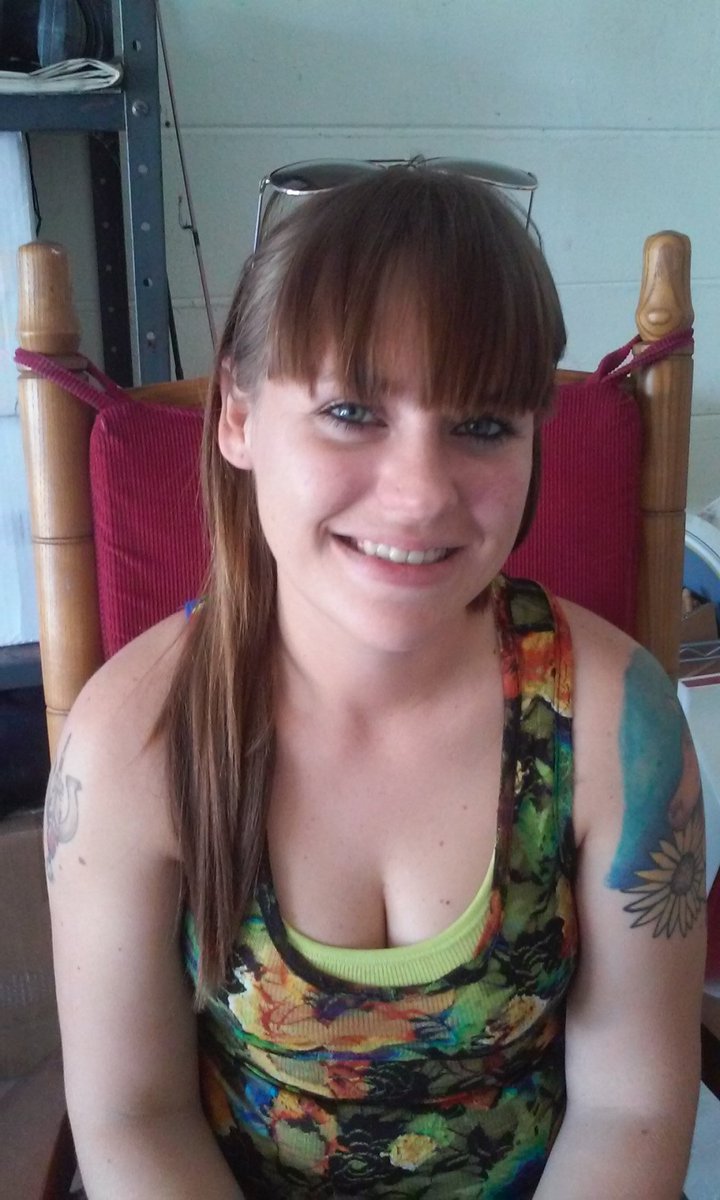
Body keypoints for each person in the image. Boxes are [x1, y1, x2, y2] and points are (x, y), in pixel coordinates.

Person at [45, 164, 706, 1199]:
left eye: (482, 425)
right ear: (238, 416)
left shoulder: (617, 723)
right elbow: (136, 1113)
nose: (419, 494)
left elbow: (632, 1107)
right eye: (353, 410)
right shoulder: (135, 736)